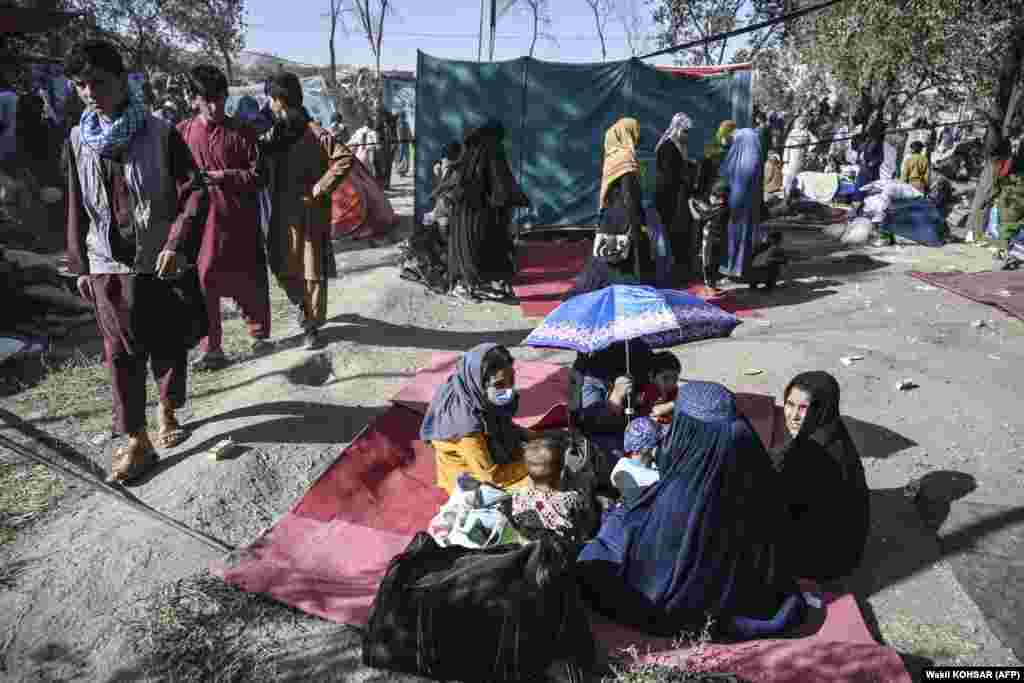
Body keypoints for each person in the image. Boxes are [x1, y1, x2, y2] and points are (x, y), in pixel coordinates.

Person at [63, 40, 209, 483]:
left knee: (166, 343)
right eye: (81, 85)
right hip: (106, 264)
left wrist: (177, 244)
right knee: (119, 354)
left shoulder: (161, 132)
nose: (90, 92)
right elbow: (75, 205)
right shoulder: (76, 138)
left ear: (122, 80)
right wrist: (80, 267)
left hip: (157, 264)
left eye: (98, 82)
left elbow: (194, 191)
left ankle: (167, 409)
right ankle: (136, 440)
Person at [577, 381, 795, 636]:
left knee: (597, 556)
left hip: (688, 599)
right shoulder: (753, 466)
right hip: (754, 593)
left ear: (687, 429)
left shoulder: (681, 493)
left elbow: (651, 561)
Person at [179, 65, 272, 371]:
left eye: (221, 98)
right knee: (204, 279)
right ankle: (212, 348)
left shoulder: (242, 132)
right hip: (203, 223)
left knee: (249, 275)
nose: (217, 106)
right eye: (209, 100)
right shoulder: (182, 134)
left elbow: (260, 176)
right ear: (194, 100)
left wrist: (225, 176)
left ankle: (259, 333)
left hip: (240, 219)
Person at [259, 72, 354, 350]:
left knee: (312, 268)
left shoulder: (313, 131)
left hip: (310, 212)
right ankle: (303, 307)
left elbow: (344, 158)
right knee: (279, 261)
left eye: (271, 99)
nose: (270, 104)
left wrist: (319, 188)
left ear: (279, 100)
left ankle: (310, 325)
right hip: (282, 211)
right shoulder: (275, 133)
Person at [775, 371, 870, 582]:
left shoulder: (807, 455)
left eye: (803, 408)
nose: (793, 415)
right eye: (789, 404)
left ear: (821, 409)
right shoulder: (833, 430)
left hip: (822, 563)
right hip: (845, 551)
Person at [420, 343, 533, 493]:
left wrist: (534, 436)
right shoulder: (466, 428)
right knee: (544, 481)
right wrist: (534, 461)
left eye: (511, 380)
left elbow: (501, 423)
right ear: (479, 383)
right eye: (499, 384)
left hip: (491, 458)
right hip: (472, 480)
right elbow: (492, 476)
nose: (508, 389)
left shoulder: (471, 390)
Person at [440, 121, 529, 301]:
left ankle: (467, 284)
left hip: (466, 210)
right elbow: (501, 185)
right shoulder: (492, 149)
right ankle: (468, 285)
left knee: (468, 249)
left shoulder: (471, 153)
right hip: (476, 211)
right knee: (478, 247)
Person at [567, 340, 654, 489]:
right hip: (600, 442)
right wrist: (616, 396)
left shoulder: (637, 353)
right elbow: (589, 422)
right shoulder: (592, 373)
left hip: (631, 432)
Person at [506, 432, 596, 544]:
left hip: (544, 526)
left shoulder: (520, 495)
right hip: (578, 526)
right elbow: (587, 497)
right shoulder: (568, 497)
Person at [654, 112, 700, 282]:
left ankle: (682, 268)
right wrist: (687, 172)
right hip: (670, 199)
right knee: (674, 234)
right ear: (677, 129)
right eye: (685, 131)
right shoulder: (668, 147)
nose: (687, 135)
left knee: (681, 234)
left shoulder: (679, 146)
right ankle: (675, 271)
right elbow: (668, 176)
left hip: (679, 197)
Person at [717, 128, 764, 283]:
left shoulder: (737, 159)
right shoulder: (755, 159)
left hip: (736, 207)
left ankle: (731, 270)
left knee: (734, 235)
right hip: (750, 207)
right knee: (748, 235)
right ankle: (744, 270)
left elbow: (723, 175)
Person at [610, 417, 662, 504]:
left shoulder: (656, 466)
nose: (662, 445)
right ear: (646, 448)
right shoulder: (623, 470)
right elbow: (633, 498)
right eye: (659, 442)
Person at [635, 351, 680, 423]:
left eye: (675, 378)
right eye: (665, 378)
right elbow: (655, 410)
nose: (671, 383)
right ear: (651, 377)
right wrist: (675, 404)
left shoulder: (674, 390)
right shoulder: (650, 389)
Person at [0, 75, 18, 168]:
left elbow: (1, 122)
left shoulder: (1, 97)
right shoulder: (15, 96)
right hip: (14, 139)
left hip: (3, 141)